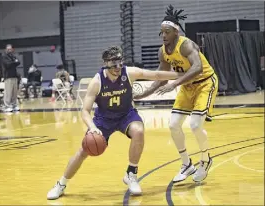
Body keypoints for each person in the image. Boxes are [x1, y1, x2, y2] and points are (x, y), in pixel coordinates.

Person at [47, 46, 184, 200]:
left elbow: (156, 74)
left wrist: (182, 74)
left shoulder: (128, 72)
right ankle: (61, 183)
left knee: (138, 131)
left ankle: (131, 173)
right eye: (114, 64)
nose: (118, 67)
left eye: (120, 63)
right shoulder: (97, 81)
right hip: (103, 120)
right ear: (105, 63)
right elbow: (85, 111)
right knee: (83, 151)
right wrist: (92, 128)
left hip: (126, 114)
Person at [134, 5, 218, 183]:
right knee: (173, 125)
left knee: (195, 125)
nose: (163, 35)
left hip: (205, 83)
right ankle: (187, 164)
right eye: (161, 32)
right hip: (187, 86)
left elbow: (197, 67)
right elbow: (161, 78)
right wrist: (143, 95)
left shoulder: (186, 45)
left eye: (167, 32)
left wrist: (175, 84)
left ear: (176, 32)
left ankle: (205, 159)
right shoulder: (162, 52)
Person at [1, 44, 20, 112]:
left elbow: (18, 62)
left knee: (14, 92)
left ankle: (14, 105)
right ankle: (7, 106)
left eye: (10, 49)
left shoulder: (12, 56)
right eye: (8, 49)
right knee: (8, 92)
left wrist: (14, 62)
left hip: (14, 76)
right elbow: (8, 64)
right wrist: (14, 62)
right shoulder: (4, 56)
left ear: (12, 49)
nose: (9, 50)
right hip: (8, 76)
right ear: (6, 49)